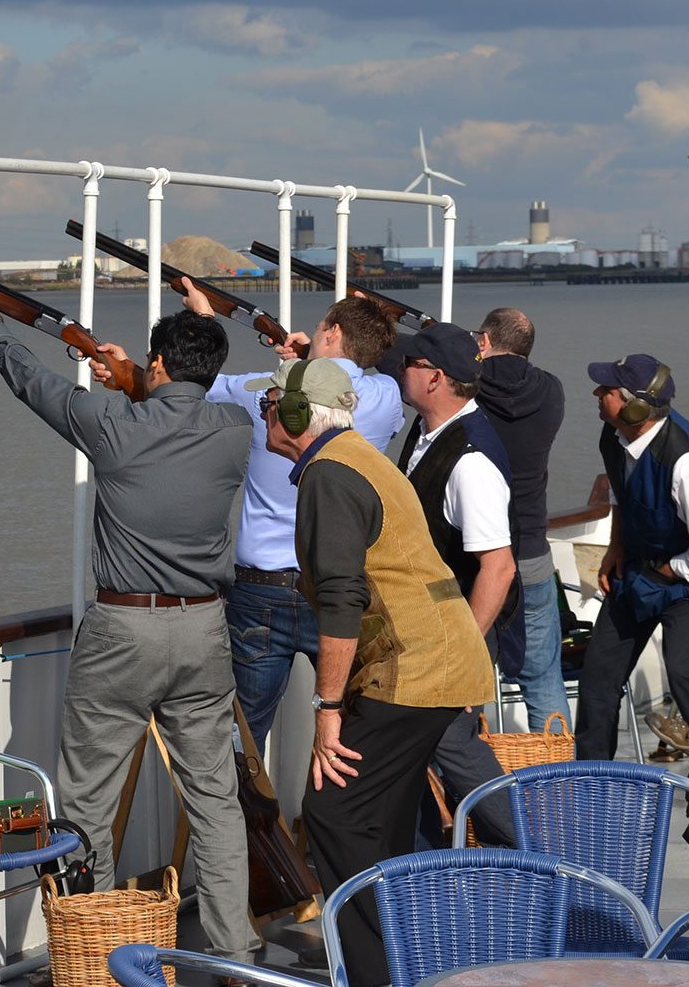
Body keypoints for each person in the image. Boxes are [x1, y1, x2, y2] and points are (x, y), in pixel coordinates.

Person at [0, 284, 259, 964]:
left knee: (89, 795)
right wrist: (133, 378)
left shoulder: (112, 423)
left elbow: (32, 383)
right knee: (216, 799)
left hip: (124, 631)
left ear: (156, 365)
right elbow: (178, 413)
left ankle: (99, 949)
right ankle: (236, 951)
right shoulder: (236, 429)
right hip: (205, 627)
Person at [254, 354, 494, 987]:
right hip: (436, 660)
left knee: (334, 813)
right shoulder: (361, 455)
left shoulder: (330, 475)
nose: (265, 415)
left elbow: (340, 598)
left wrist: (327, 710)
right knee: (382, 819)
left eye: (269, 404)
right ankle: (410, 957)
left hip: (411, 669)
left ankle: (375, 972)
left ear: (299, 413)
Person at [183, 287, 404, 753]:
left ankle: (243, 821)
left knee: (242, 738)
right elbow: (375, 369)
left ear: (333, 332)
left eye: (323, 325)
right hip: (341, 589)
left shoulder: (269, 390)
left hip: (261, 588)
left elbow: (201, 383)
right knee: (350, 731)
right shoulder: (385, 397)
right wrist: (315, 356)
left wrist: (205, 320)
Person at [393, 320, 521, 846]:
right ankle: (418, 865)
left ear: (435, 378)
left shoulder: (469, 460)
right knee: (417, 748)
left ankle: (535, 854)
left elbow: (499, 567)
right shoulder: (428, 435)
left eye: (410, 363)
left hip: (453, 635)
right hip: (426, 629)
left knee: (454, 748)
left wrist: (465, 652)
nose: (401, 370)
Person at [574, 354, 689, 761]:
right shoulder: (614, 438)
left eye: (607, 390)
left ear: (636, 407)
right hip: (635, 570)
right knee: (598, 679)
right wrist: (616, 546)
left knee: (685, 671)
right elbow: (621, 493)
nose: (596, 394)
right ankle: (591, 780)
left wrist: (670, 571)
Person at [472, 307, 569, 730]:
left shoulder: (469, 387)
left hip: (475, 558)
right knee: (544, 679)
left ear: (485, 342)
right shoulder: (551, 391)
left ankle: (467, 785)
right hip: (531, 551)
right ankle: (559, 784)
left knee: (466, 677)